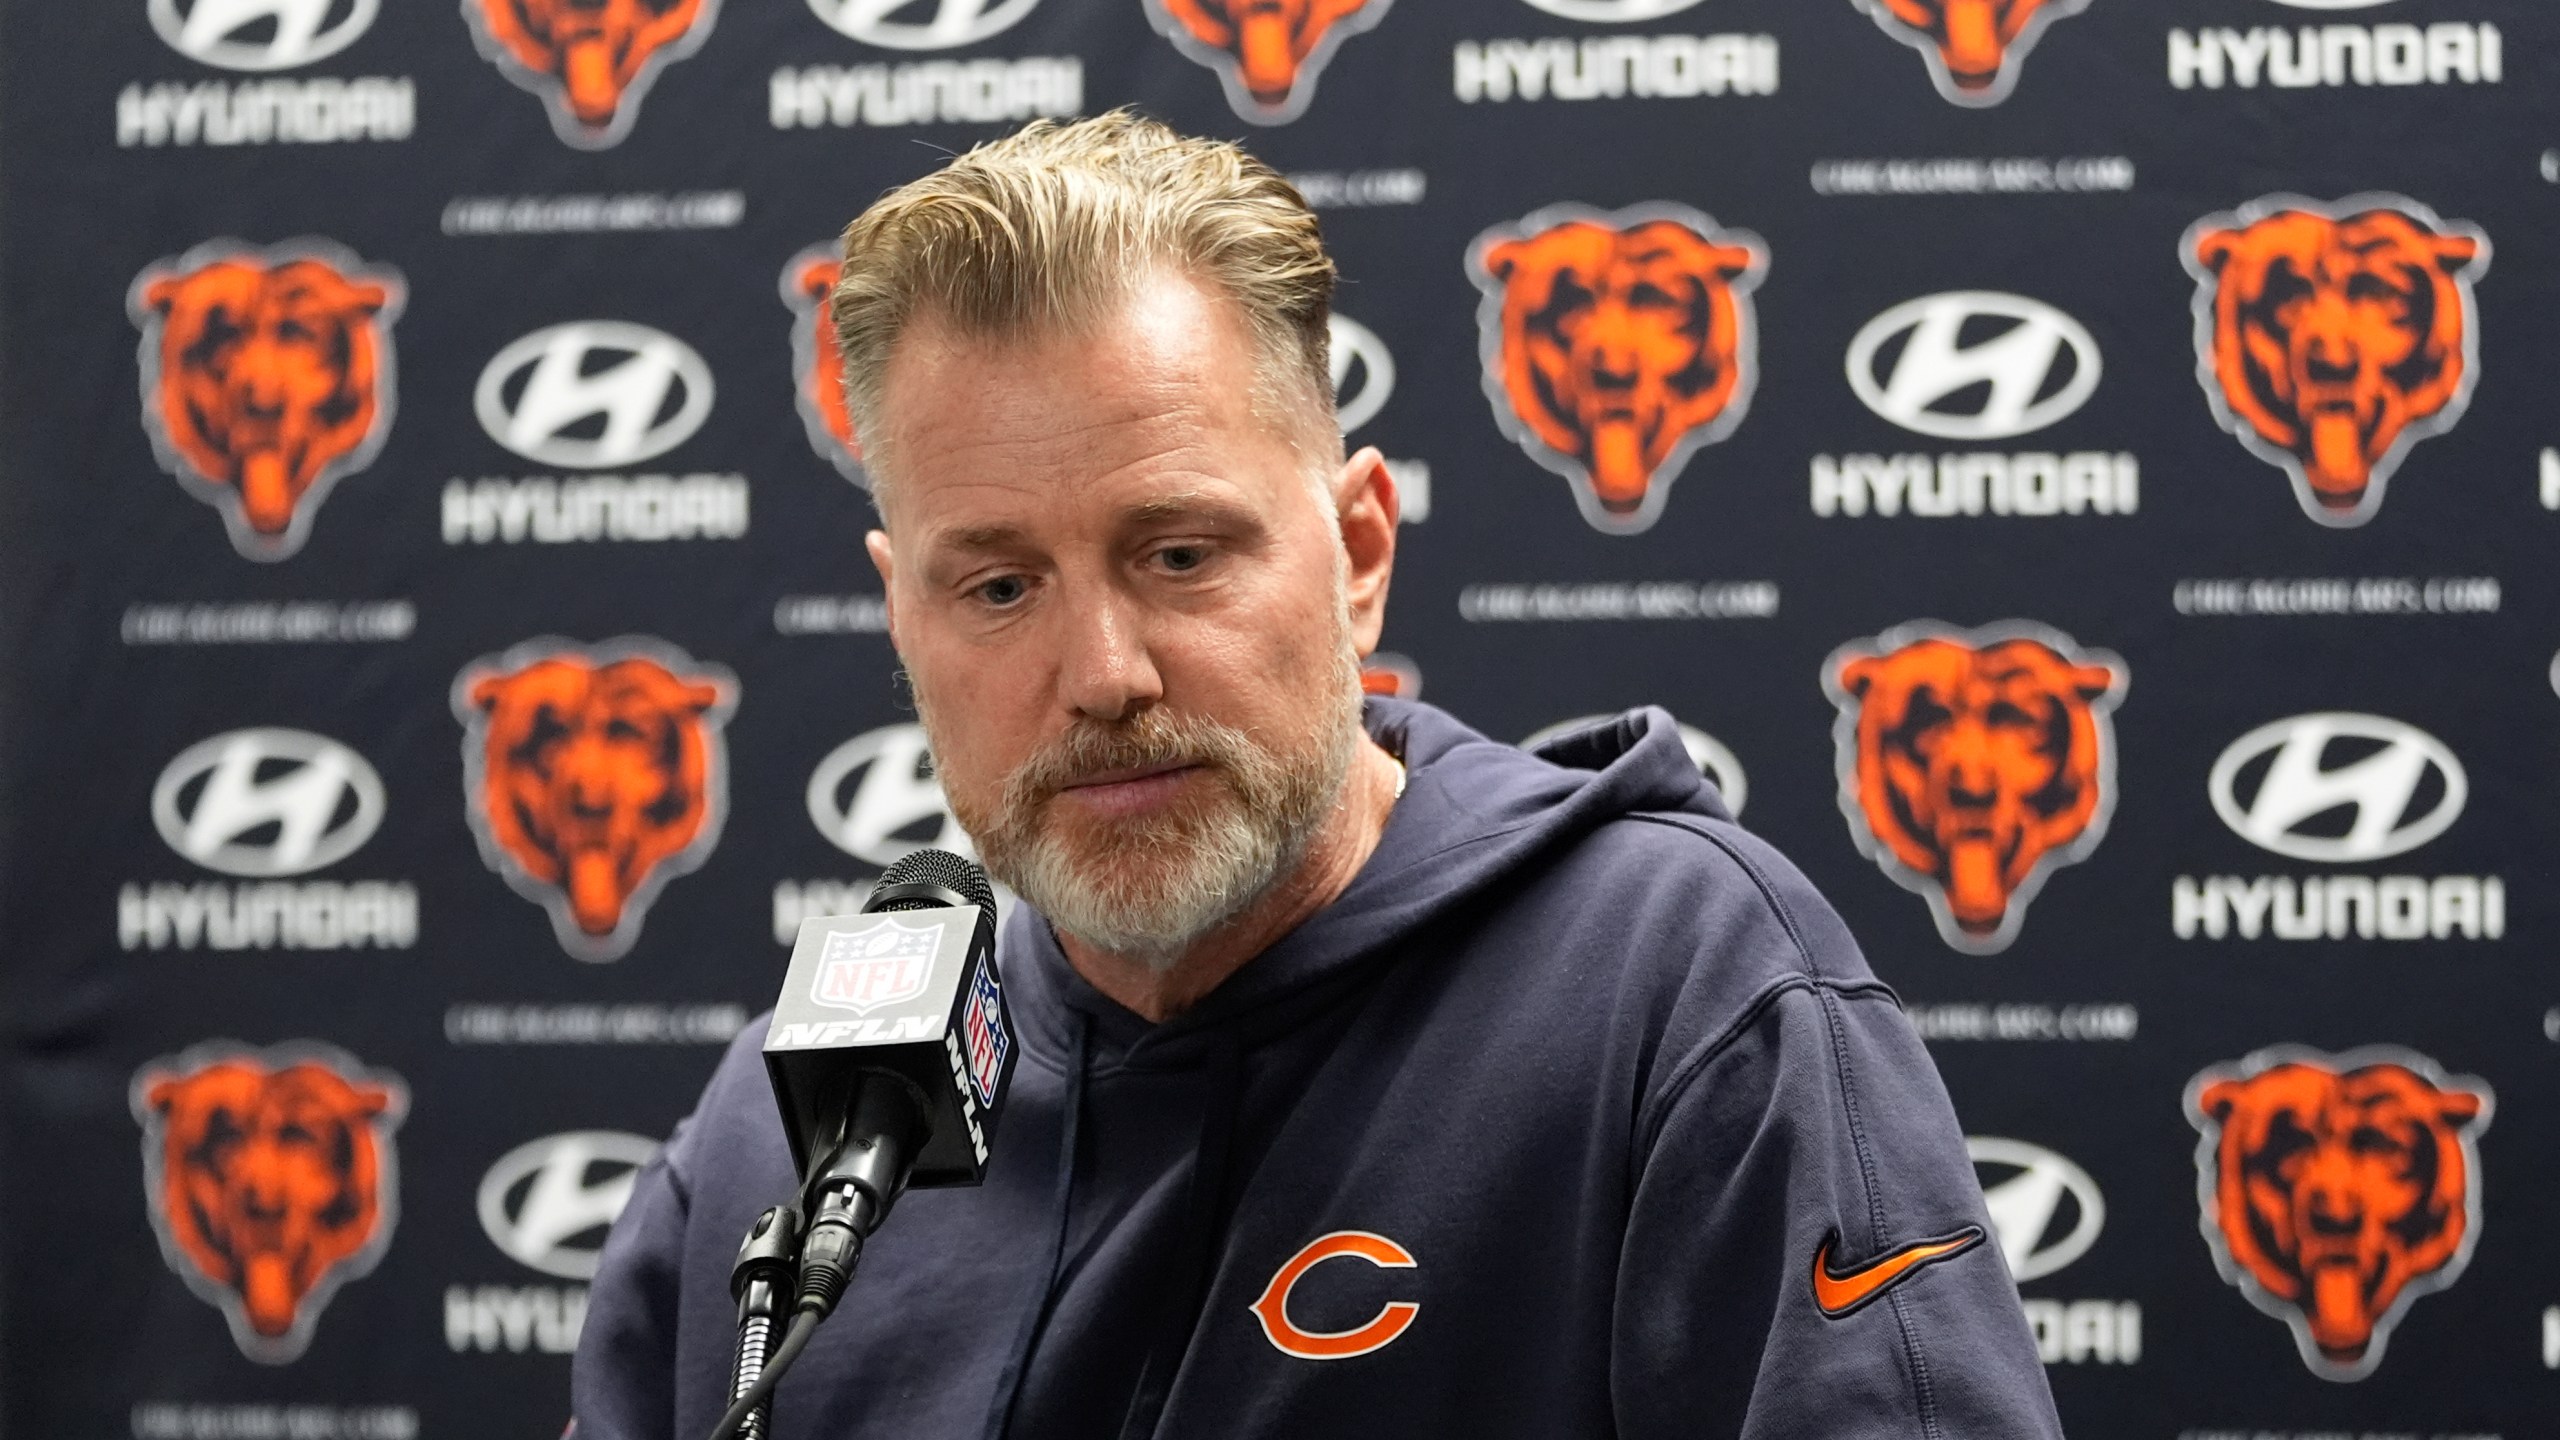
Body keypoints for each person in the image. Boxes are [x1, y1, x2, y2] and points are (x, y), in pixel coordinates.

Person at [573, 111, 2064, 1440]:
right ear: (905, 615)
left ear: (1357, 554)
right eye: (1000, 589)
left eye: (1178, 555)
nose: (1103, 676)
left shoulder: (1672, 993)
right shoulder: (801, 1128)